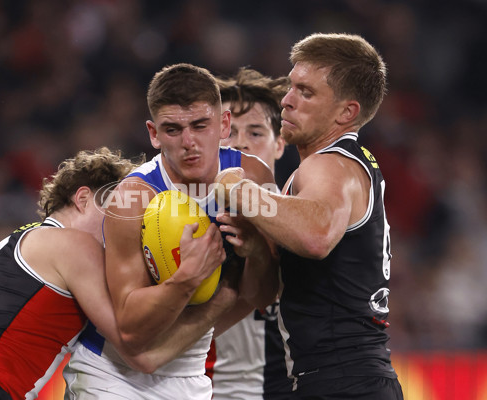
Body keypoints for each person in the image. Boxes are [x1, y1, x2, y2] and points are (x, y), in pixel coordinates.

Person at [0, 148, 237, 400]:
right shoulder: (74, 245)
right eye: (117, 208)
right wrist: (201, 285)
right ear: (82, 198)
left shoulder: (28, 241)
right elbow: (139, 350)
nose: (127, 225)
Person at [63, 63, 279, 400]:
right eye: (173, 129)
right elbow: (132, 330)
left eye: (199, 125)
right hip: (112, 375)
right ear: (153, 133)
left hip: (189, 371)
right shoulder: (133, 199)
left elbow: (265, 296)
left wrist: (258, 253)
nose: (189, 142)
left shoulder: (252, 177)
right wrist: (188, 278)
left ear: (223, 124)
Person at [215, 33, 404, 399]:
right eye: (290, 87)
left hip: (343, 381)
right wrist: (256, 249)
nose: (286, 101)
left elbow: (316, 236)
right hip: (338, 379)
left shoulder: (329, 165)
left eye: (306, 92)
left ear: (346, 112)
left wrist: (238, 189)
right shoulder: (336, 169)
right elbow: (265, 295)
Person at [205, 67, 296, 399]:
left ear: (280, 144)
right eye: (230, 131)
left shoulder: (302, 221)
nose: (241, 142)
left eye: (256, 132)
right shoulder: (178, 216)